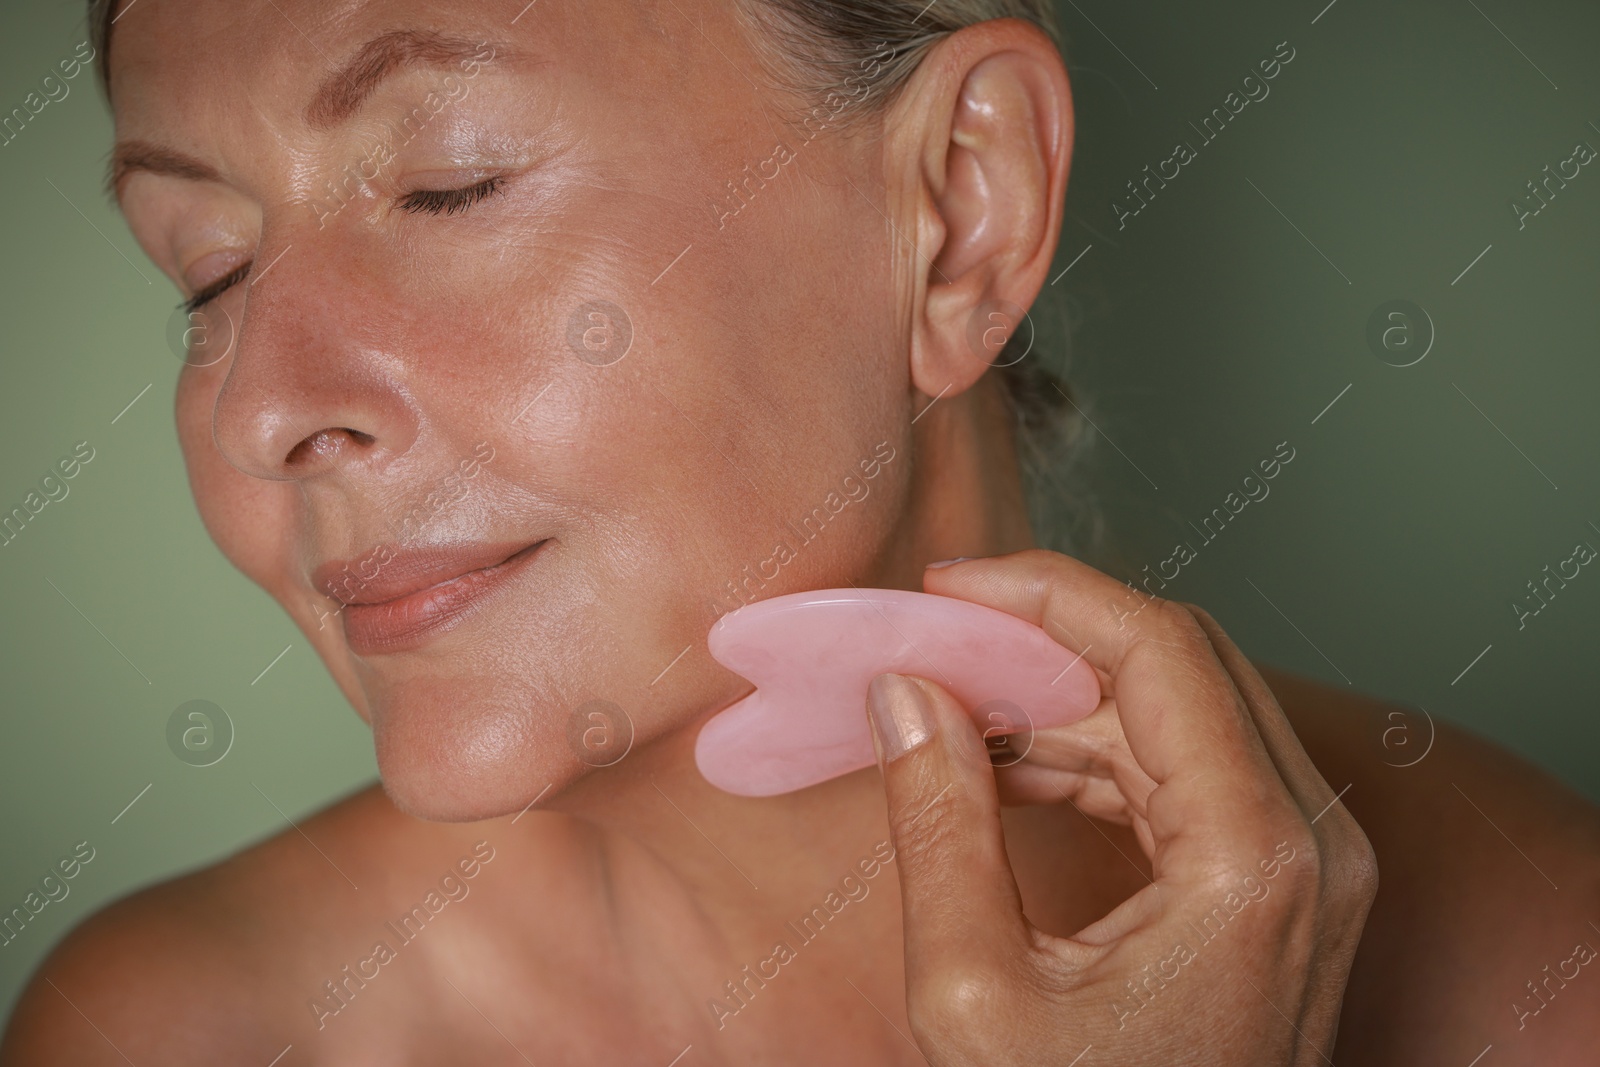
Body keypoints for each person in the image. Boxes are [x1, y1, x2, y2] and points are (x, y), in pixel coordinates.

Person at [4, 0, 1598, 1063]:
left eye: (448, 183)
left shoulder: (1533, 960)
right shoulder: (176, 1036)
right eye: (207, 272)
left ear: (962, 209)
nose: (259, 406)